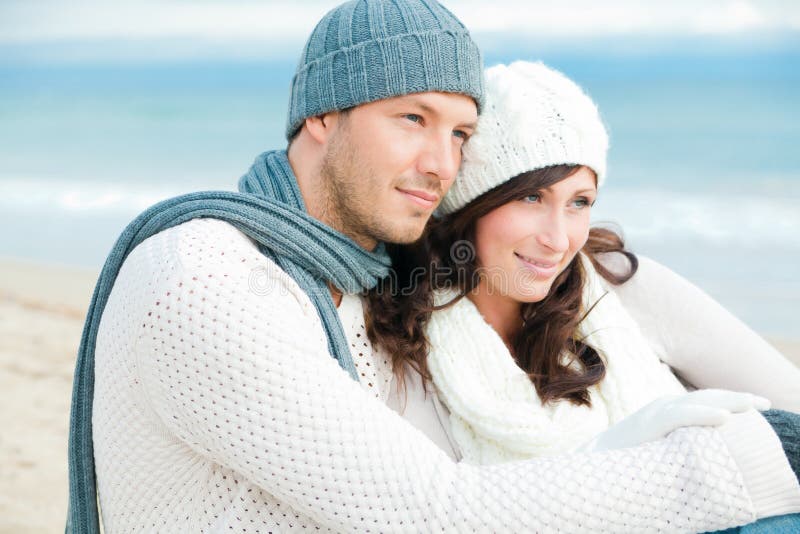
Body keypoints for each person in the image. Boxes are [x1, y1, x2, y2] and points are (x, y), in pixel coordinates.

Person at [66, 2, 800, 533]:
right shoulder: (205, 279)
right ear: (324, 116)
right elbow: (433, 512)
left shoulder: (358, 283)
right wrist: (752, 457)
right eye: (412, 119)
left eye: (461, 133)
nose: (440, 164)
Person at [368, 60, 800, 531]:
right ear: (468, 208)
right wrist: (623, 455)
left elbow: (791, 407)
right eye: (530, 198)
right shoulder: (406, 344)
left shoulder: (625, 287)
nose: (558, 239)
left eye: (579, 202)